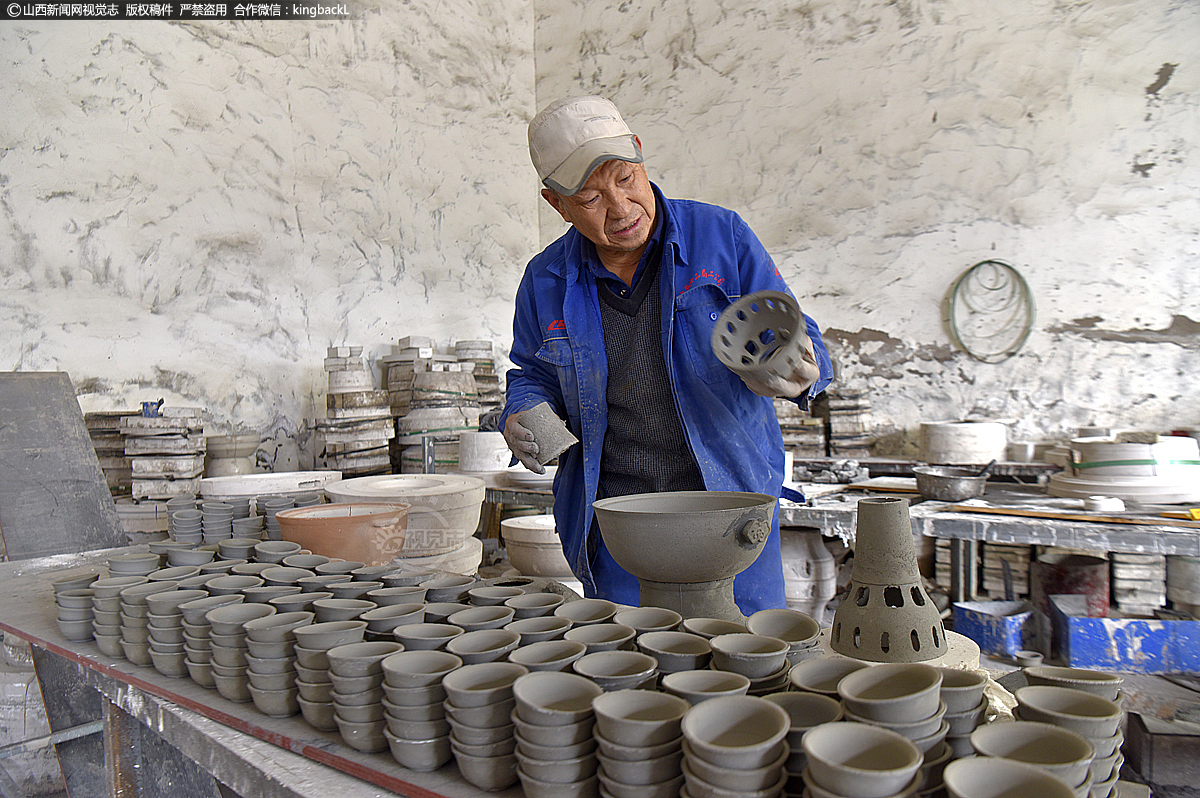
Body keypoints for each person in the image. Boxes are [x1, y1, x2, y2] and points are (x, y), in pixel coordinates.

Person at [501, 95, 834, 614]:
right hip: (619, 526)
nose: (620, 208)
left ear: (639, 154)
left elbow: (793, 327)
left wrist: (802, 365)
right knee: (634, 674)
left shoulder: (721, 236)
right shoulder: (544, 279)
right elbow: (532, 373)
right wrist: (521, 410)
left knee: (745, 669)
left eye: (626, 178)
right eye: (589, 199)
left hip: (729, 511)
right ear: (556, 204)